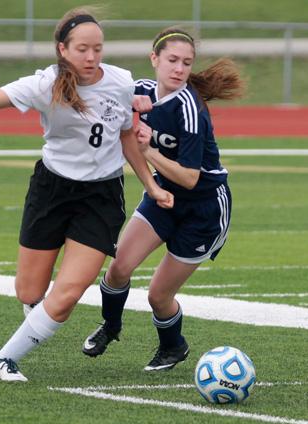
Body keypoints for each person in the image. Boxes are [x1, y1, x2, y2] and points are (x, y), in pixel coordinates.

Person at [0, 7, 173, 382]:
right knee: (30, 290)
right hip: (51, 189)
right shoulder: (45, 84)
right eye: (82, 49)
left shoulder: (121, 82)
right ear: (62, 49)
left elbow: (127, 136)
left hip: (100, 197)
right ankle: (35, 318)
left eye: (97, 48)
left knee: (66, 296)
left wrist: (151, 185)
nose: (91, 57)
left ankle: (5, 360)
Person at [82, 28, 246, 371]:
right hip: (163, 196)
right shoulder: (139, 90)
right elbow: (101, 88)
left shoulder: (190, 109)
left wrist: (148, 149)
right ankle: (111, 327)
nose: (179, 69)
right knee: (118, 268)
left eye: (187, 63)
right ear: (154, 59)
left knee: (158, 295)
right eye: (172, 60)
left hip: (204, 208)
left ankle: (174, 347)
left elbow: (190, 177)